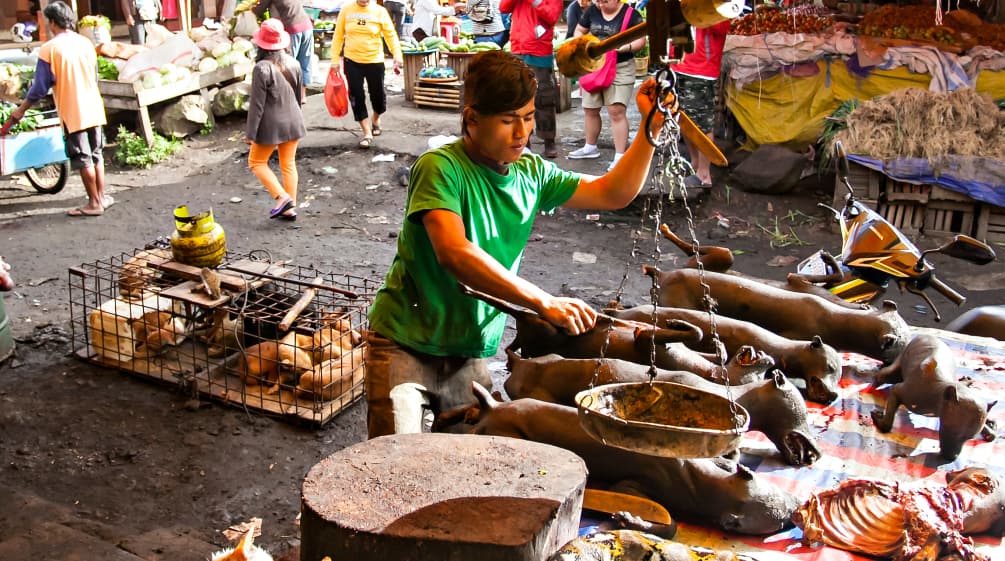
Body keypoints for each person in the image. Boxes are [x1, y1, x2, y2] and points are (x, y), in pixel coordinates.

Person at [364, 50, 671, 438]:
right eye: (508, 120)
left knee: (466, 469)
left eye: (527, 117)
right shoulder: (440, 168)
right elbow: (454, 253)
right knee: (392, 464)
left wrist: (650, 129)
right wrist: (543, 302)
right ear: (472, 118)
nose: (522, 132)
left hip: (468, 352)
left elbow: (613, 193)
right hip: (405, 344)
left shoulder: (532, 173)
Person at [8, 1, 110, 217]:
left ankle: (93, 203)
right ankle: (101, 197)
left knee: (83, 157)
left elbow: (39, 88)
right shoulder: (85, 43)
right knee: (96, 154)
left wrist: (21, 110)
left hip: (74, 110)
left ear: (53, 22)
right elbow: (95, 76)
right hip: (94, 105)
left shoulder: (50, 48)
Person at [568, 0, 645, 170]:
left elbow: (641, 40)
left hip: (620, 67)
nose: (601, 5)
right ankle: (590, 146)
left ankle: (619, 155)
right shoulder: (592, 11)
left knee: (616, 110)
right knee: (590, 108)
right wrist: (582, 42)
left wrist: (623, 47)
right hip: (594, 66)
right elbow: (579, 30)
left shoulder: (631, 14)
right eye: (598, 1)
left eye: (605, 1)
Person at [246, 19, 306, 221]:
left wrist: (250, 134)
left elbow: (257, 105)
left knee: (256, 162)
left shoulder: (261, 68)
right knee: (288, 164)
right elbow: (298, 96)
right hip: (294, 120)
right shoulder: (294, 63)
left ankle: (282, 197)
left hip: (271, 125)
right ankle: (290, 207)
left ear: (261, 44)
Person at [331, 0, 403, 149]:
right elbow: (338, 36)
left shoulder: (380, 11)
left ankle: (376, 119)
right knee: (356, 96)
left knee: (378, 96)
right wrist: (334, 60)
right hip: (352, 61)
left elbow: (390, 34)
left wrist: (397, 55)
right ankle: (366, 132)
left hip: (374, 60)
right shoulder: (346, 10)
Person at [670, 20, 730, 189]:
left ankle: (704, 174)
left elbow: (721, 26)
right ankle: (695, 163)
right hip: (678, 64)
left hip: (701, 70)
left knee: (702, 124)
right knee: (684, 120)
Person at [500, 0, 562, 159]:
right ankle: (523, 140)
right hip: (518, 48)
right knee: (518, 98)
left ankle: (549, 140)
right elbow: (503, 7)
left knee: (543, 97)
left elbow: (552, 16)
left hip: (539, 50)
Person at [253, 0, 316, 87]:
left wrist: (248, 8)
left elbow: (258, 10)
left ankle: (290, 94)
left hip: (292, 27)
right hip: (306, 26)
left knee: (289, 65)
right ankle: (302, 97)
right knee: (304, 64)